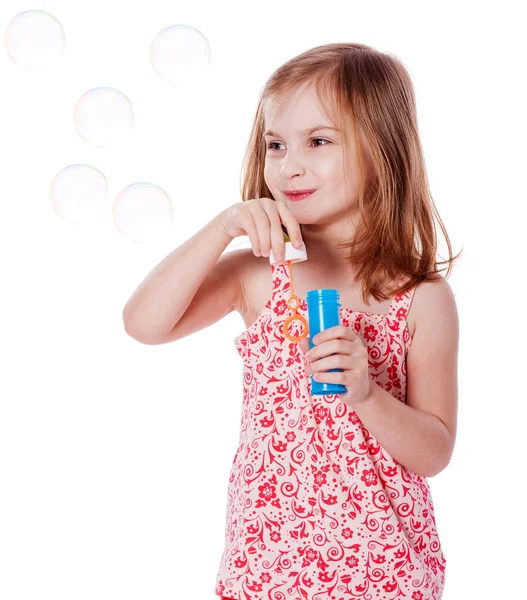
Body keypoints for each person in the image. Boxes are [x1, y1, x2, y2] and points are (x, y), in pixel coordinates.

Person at [123, 42, 461, 600]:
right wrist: (225, 226)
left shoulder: (421, 297)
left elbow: (434, 451)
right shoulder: (259, 274)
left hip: (387, 576)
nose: (288, 165)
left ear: (383, 151)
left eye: (318, 141)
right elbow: (144, 324)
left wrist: (368, 394)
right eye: (274, 144)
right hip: (266, 571)